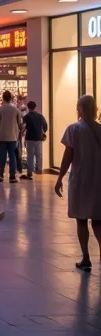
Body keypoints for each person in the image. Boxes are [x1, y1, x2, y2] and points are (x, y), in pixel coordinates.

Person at [55, 94, 101, 272]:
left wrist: (60, 178)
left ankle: (86, 258)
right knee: (98, 221)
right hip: (98, 180)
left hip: (81, 180)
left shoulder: (74, 129)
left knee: (81, 220)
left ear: (79, 109)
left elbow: (68, 156)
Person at [0, 90, 22, 183]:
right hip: (13, 136)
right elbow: (20, 124)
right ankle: (12, 176)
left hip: (2, 136)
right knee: (12, 155)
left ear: (3, 98)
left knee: (2, 156)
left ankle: (1, 175)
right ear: (11, 98)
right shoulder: (16, 110)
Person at [21, 100, 48, 179]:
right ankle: (39, 169)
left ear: (28, 107)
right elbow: (45, 125)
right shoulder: (40, 116)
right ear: (35, 107)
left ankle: (30, 171)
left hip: (30, 138)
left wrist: (22, 132)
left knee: (30, 155)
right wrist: (43, 132)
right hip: (39, 138)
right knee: (39, 154)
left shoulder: (27, 116)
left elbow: (23, 125)